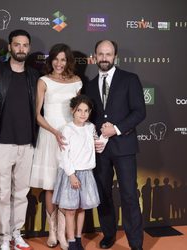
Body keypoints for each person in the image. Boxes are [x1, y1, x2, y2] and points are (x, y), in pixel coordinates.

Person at [83, 40, 146, 250]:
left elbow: (139, 111)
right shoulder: (90, 85)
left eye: (108, 54)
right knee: (103, 194)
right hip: (100, 150)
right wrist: (95, 133)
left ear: (115, 56)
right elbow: (88, 117)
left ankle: (136, 243)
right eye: (100, 54)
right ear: (94, 56)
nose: (104, 58)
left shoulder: (130, 79)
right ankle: (109, 235)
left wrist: (116, 129)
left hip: (124, 147)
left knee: (129, 195)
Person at [0, 30, 39, 250]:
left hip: (27, 144)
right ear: (10, 47)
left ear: (29, 48)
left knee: (21, 193)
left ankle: (16, 233)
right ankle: (2, 236)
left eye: (25, 45)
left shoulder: (34, 76)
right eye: (17, 45)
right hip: (2, 142)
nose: (21, 49)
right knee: (2, 193)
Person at [30, 43, 82, 250]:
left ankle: (62, 232)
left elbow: (79, 112)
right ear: (50, 60)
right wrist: (55, 132)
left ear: (68, 61)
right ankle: (52, 231)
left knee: (67, 184)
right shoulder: (43, 81)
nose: (59, 63)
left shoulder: (77, 82)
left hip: (70, 139)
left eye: (63, 59)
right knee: (51, 186)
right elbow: (37, 114)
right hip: (50, 136)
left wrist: (73, 133)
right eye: (56, 59)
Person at [52, 95, 100, 250]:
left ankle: (78, 238)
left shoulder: (91, 127)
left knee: (81, 209)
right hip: (71, 174)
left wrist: (103, 136)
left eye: (86, 111)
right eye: (79, 110)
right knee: (71, 210)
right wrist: (71, 175)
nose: (83, 114)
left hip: (86, 173)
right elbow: (64, 155)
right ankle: (71, 241)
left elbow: (97, 144)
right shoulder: (67, 129)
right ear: (73, 111)